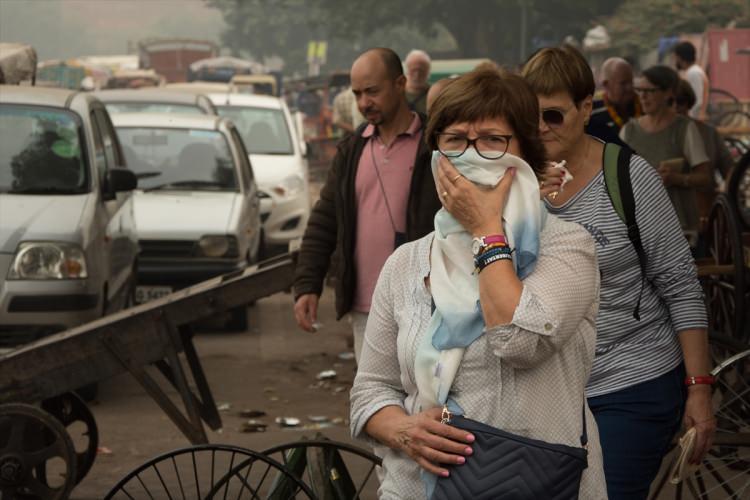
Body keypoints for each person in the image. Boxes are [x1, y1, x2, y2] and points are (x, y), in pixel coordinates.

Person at [350, 67, 606, 499]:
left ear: (525, 153)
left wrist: (487, 229)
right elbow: (370, 389)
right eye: (454, 140)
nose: (471, 155)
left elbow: (520, 341)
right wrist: (404, 429)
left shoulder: (567, 247)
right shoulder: (406, 264)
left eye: (492, 140)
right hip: (416, 487)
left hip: (535, 482)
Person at [522, 46, 715, 500]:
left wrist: (699, 390)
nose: (540, 129)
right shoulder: (515, 181)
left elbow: (682, 287)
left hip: (632, 378)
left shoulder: (629, 178)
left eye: (553, 116)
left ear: (586, 107)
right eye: (529, 118)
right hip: (547, 385)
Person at [293, 48, 441, 363]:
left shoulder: (435, 145)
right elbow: (325, 220)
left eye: (372, 92)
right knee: (374, 402)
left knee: (428, 401)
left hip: (425, 304)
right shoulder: (351, 151)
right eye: (358, 94)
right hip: (366, 307)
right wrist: (308, 284)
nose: (363, 103)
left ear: (400, 84)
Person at [620, 65, 712, 239]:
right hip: (640, 230)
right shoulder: (628, 131)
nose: (643, 97)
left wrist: (676, 179)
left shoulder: (684, 129)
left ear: (668, 93)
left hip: (679, 230)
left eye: (650, 91)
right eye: (640, 90)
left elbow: (705, 177)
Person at [674, 78, 732, 227]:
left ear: (689, 103)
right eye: (669, 102)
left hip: (706, 212)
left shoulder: (709, 133)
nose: (675, 107)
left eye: (680, 101)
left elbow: (730, 170)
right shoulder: (652, 134)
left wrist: (725, 197)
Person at [586, 57, 641, 146]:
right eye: (623, 83)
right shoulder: (591, 112)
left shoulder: (644, 105)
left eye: (631, 82)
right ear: (606, 84)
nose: (630, 88)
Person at [673, 41, 709, 121]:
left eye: (675, 57)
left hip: (694, 120)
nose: (674, 61)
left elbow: (697, 101)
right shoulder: (694, 71)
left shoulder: (693, 73)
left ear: (679, 58)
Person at [404, 49, 431, 114]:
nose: (417, 75)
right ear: (407, 70)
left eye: (421, 71)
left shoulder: (434, 96)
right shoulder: (396, 95)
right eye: (413, 70)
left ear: (428, 72)